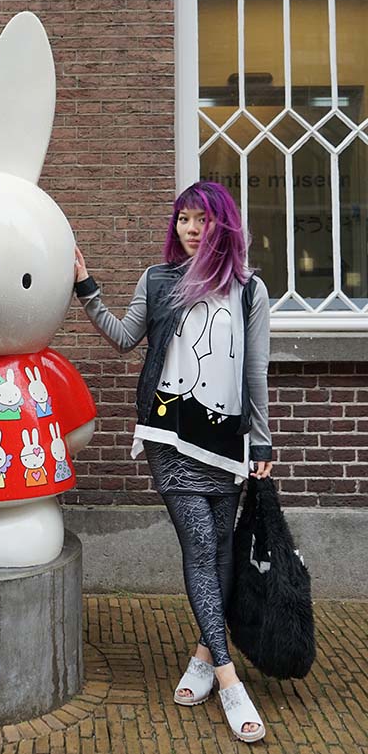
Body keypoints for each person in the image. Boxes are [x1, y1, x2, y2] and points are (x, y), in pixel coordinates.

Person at [74, 181, 273, 744]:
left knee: (225, 546)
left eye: (202, 220)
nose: (190, 229)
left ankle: (203, 655)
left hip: (226, 436)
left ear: (223, 227)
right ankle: (231, 679)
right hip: (169, 432)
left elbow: (254, 373)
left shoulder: (248, 290)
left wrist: (261, 442)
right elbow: (123, 337)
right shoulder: (158, 280)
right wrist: (86, 287)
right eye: (183, 218)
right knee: (201, 544)